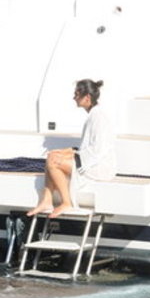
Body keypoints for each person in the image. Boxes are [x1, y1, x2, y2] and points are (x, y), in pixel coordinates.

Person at [27, 79, 116, 218]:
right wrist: (65, 152)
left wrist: (75, 159)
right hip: (92, 161)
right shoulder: (94, 115)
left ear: (87, 97)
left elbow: (98, 150)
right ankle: (47, 201)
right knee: (52, 156)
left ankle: (67, 202)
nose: (74, 98)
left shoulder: (99, 117)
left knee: (53, 162)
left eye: (77, 94)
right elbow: (86, 147)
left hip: (100, 168)